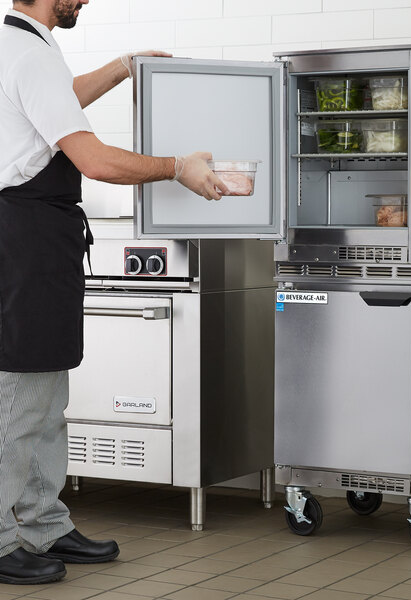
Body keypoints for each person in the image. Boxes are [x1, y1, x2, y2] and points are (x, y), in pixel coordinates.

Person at [0, 0, 228, 585]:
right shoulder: (26, 53)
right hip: (22, 240)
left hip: (38, 237)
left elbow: (59, 97)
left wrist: (123, 66)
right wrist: (177, 166)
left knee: (47, 392)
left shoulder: (29, 45)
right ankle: (3, 539)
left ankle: (43, 522)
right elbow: (96, 161)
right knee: (19, 397)